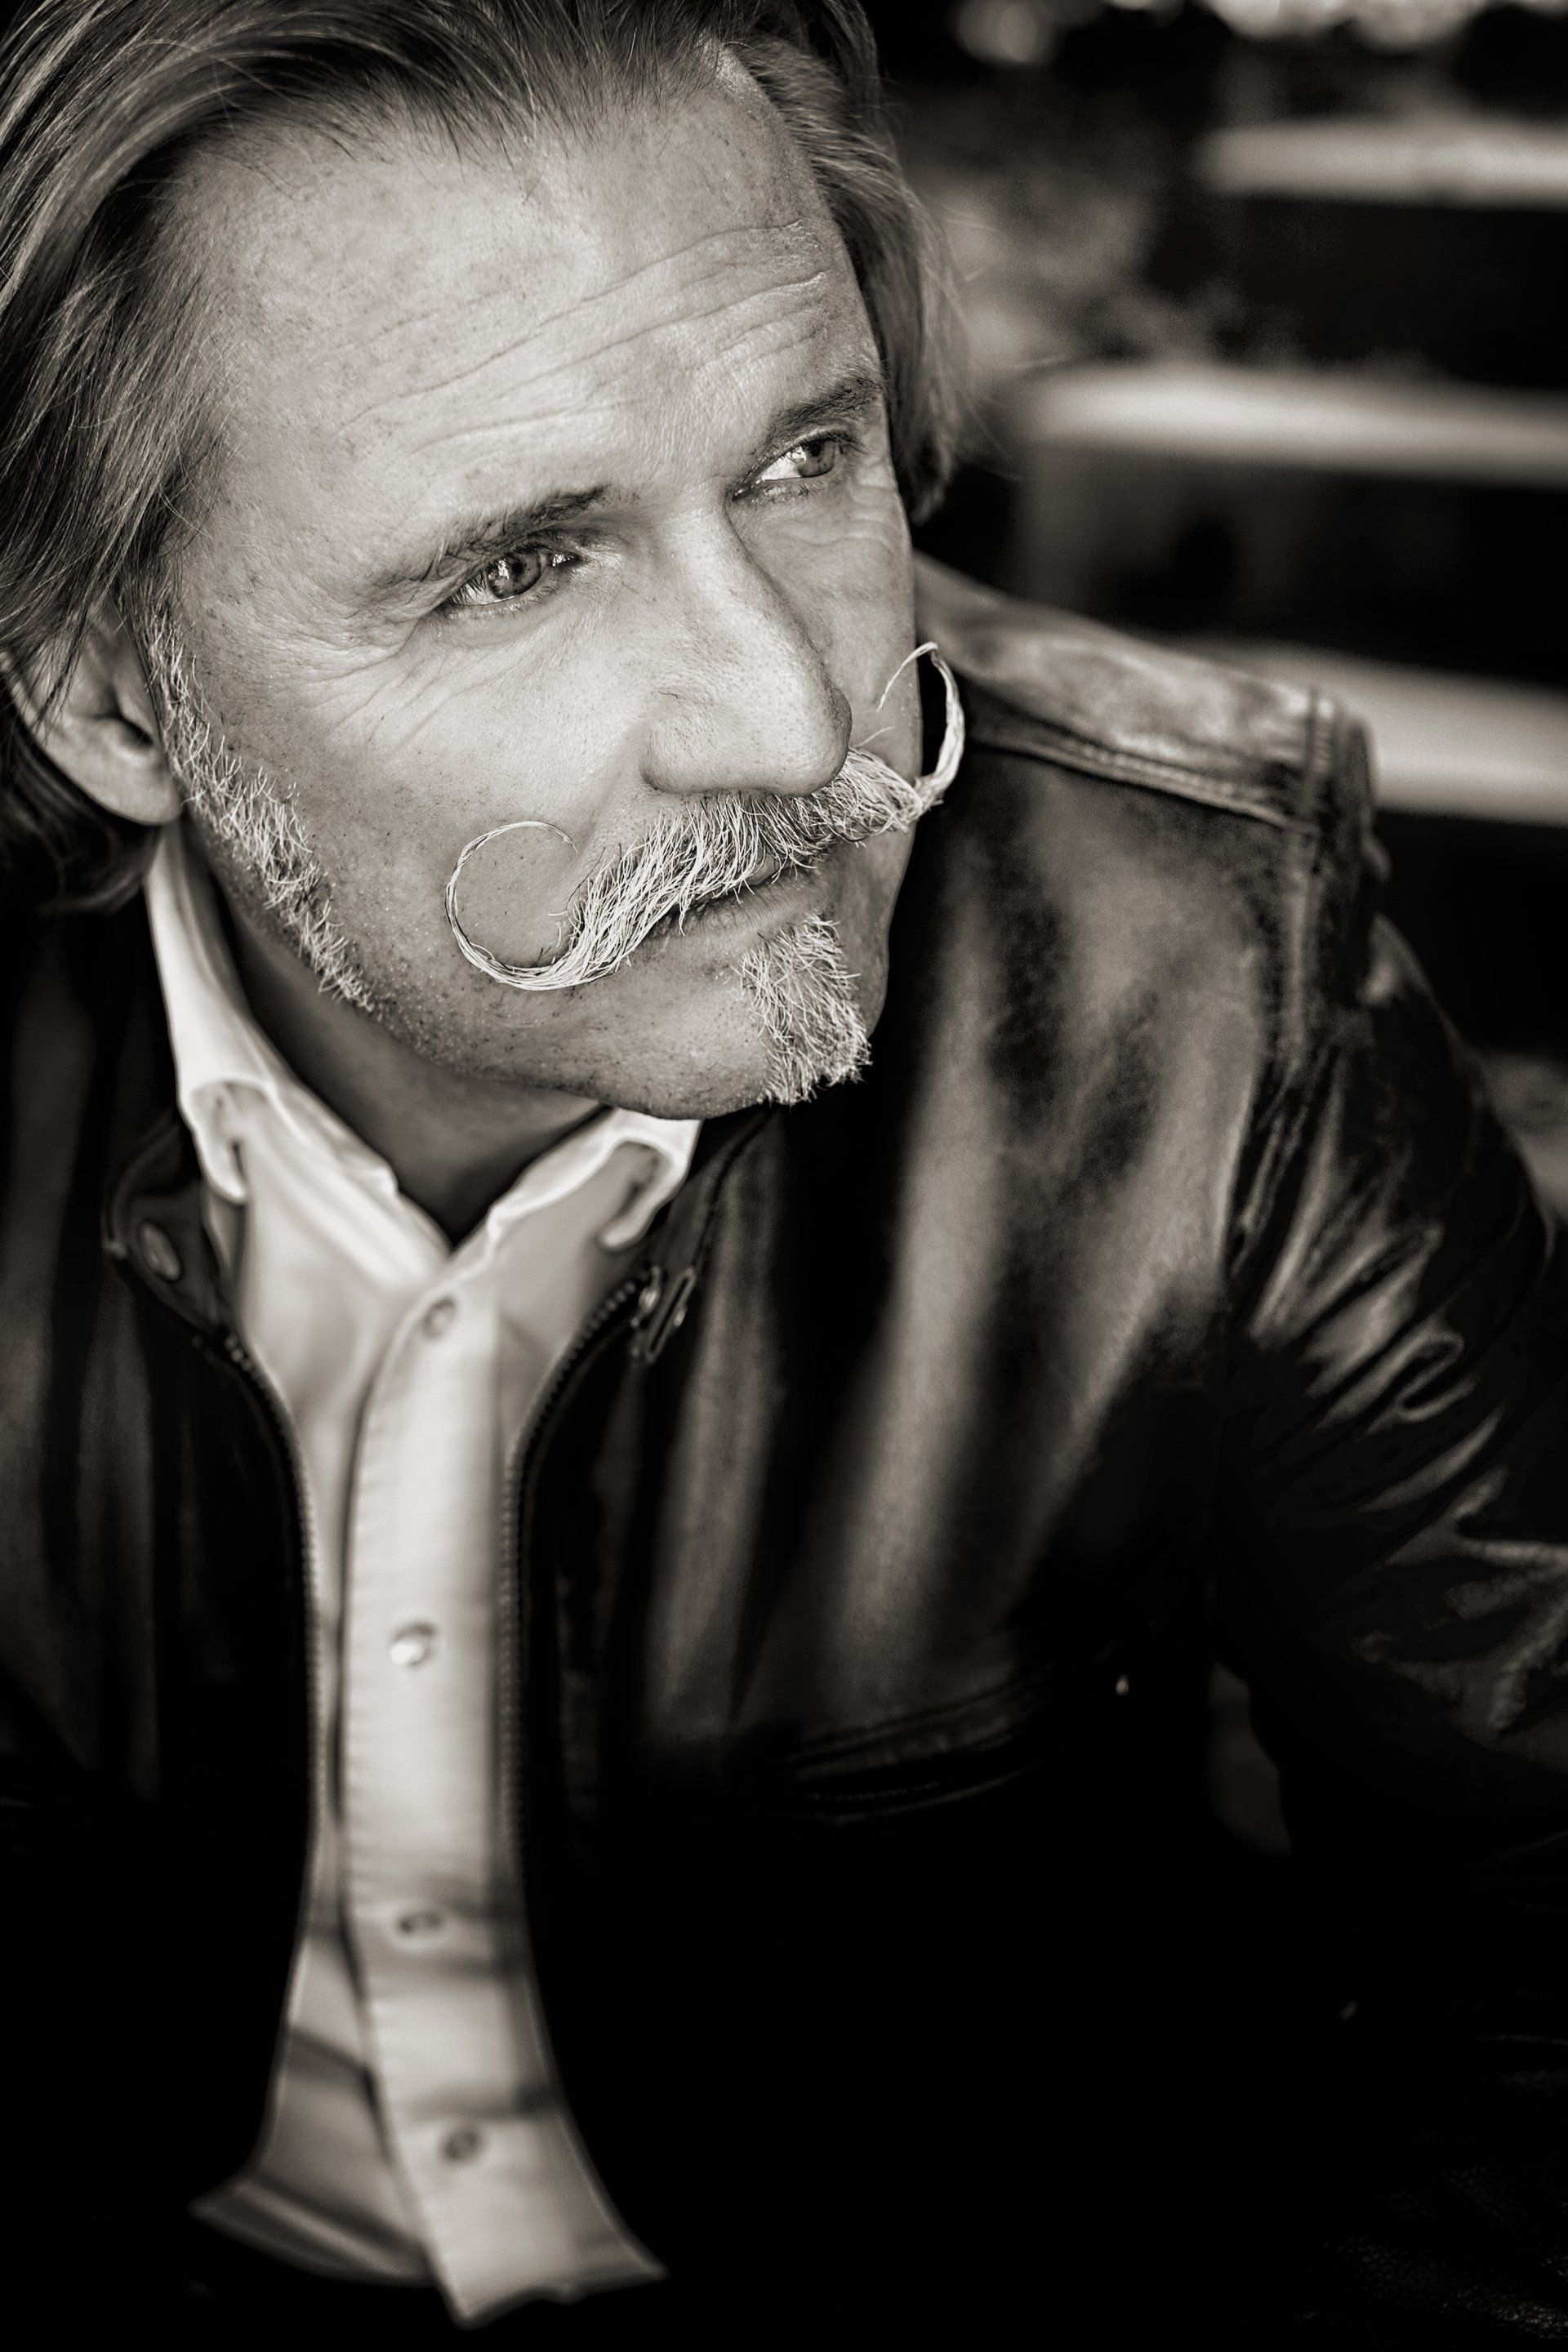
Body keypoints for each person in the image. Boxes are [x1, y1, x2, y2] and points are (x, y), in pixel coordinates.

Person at [2, 2, 1566, 2341]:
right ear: (111, 696)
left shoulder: (1203, 971)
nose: (798, 717)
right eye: (518, 570)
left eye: (807, 458)